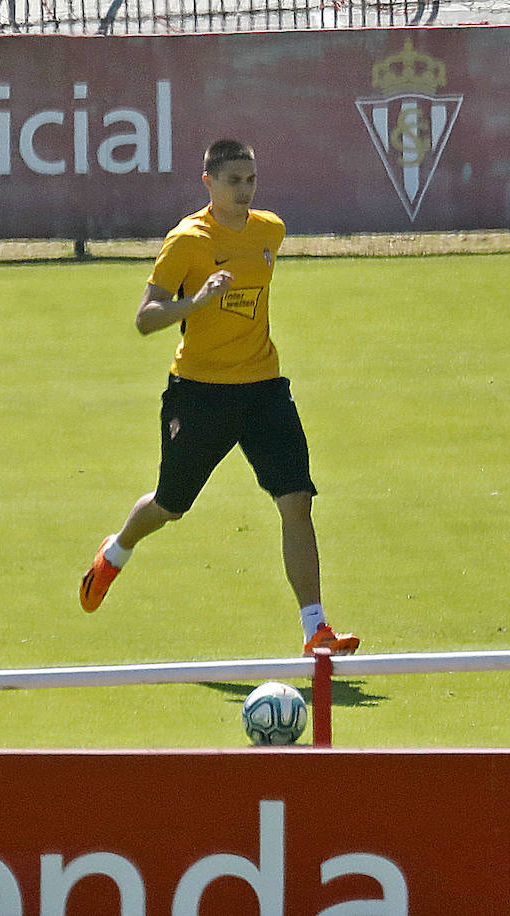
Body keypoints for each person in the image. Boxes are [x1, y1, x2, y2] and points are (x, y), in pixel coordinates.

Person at [78, 139, 359, 657]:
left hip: (264, 388)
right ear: (208, 182)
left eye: (251, 180)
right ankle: (115, 552)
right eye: (235, 181)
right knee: (169, 506)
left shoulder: (270, 230)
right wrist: (197, 301)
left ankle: (315, 630)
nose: (245, 191)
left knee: (296, 500)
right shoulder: (187, 240)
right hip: (200, 396)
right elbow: (145, 319)